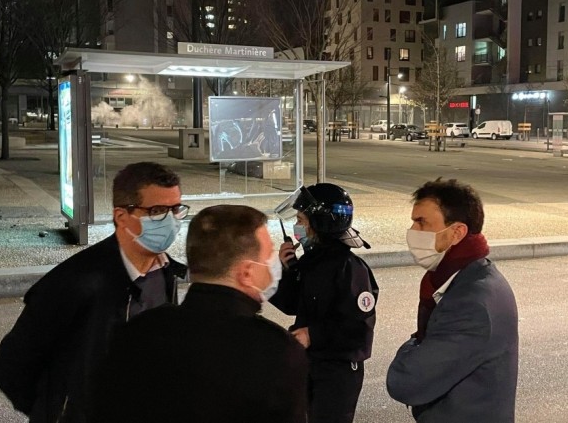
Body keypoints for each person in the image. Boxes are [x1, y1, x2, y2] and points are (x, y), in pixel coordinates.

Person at [0, 162, 188, 422]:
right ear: (121, 216)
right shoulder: (73, 281)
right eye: (157, 211)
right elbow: (11, 367)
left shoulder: (166, 272)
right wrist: (60, 414)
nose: (171, 221)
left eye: (176, 209)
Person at [93, 205, 309, 423]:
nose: (272, 263)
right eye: (268, 255)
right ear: (246, 273)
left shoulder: (136, 332)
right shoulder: (277, 352)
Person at [386, 178, 519, 423]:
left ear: (456, 232)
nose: (412, 231)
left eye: (422, 222)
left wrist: (414, 345)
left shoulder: (470, 303)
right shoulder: (475, 275)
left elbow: (405, 381)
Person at [271, 183, 379, 423]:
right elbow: (291, 304)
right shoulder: (313, 261)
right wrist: (286, 270)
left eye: (301, 220)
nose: (297, 226)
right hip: (311, 362)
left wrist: (313, 334)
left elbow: (359, 329)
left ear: (319, 223)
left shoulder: (349, 268)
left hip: (337, 370)